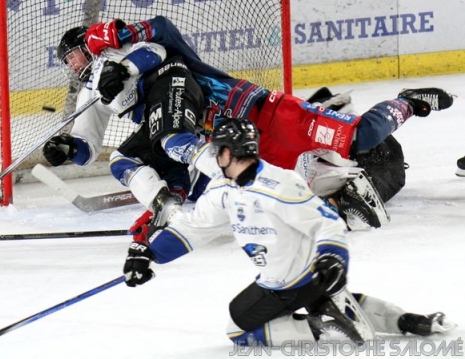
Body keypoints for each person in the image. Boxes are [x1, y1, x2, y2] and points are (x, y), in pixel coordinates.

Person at [82, 16, 454, 228]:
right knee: (290, 203)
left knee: (363, 136)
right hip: (252, 149)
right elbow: (171, 160)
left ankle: (407, 102)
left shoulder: (174, 66)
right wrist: (165, 203)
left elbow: (161, 27)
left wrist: (119, 36)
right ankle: (345, 187)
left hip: (272, 115)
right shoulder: (155, 116)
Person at [122, 118, 454, 346]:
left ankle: (321, 327)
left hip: (291, 280)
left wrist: (333, 260)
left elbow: (327, 222)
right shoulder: (226, 186)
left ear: (226, 153)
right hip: (315, 274)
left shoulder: (280, 185)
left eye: (216, 148)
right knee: (320, 294)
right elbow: (193, 227)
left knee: (238, 327)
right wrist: (148, 254)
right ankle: (409, 321)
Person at [44, 22, 206, 213]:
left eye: (72, 56)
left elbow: (156, 50)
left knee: (171, 140)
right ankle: (168, 201)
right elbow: (87, 148)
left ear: (86, 48)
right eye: (67, 62)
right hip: (154, 125)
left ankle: (213, 160)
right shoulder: (89, 94)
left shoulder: (115, 50)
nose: (71, 65)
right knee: (122, 161)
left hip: (177, 94)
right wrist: (67, 149)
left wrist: (122, 69)